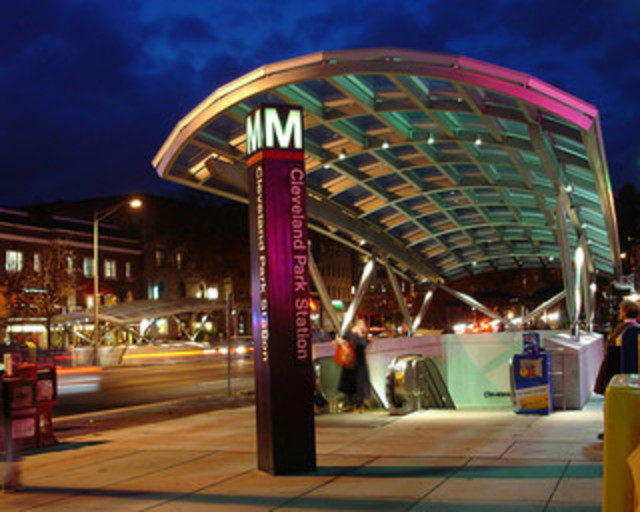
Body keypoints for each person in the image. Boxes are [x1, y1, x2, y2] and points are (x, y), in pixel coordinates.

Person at [337, 318, 371, 413]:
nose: (361, 327)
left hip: (359, 363)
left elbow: (361, 344)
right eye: (359, 324)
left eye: (362, 325)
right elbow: (343, 339)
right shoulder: (350, 334)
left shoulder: (363, 337)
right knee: (350, 383)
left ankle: (359, 404)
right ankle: (352, 404)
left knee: (360, 384)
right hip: (350, 362)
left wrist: (356, 334)